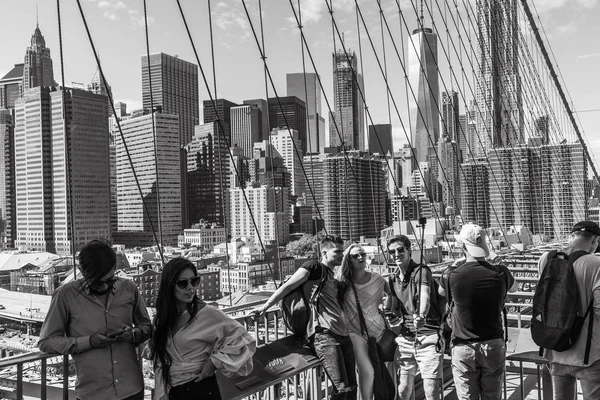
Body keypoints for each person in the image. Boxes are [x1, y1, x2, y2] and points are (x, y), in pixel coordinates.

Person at [38, 239, 152, 400]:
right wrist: (89, 342)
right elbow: (46, 342)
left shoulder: (129, 288)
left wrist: (134, 333)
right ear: (82, 271)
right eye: (98, 281)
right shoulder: (65, 296)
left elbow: (147, 327)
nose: (105, 286)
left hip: (132, 389)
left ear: (115, 269)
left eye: (110, 280)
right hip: (93, 394)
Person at [254, 235, 357, 400]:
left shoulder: (332, 275)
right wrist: (265, 307)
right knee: (342, 389)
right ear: (324, 252)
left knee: (352, 388)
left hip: (343, 334)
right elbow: (288, 286)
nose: (341, 255)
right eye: (337, 251)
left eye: (342, 251)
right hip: (325, 335)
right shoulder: (314, 266)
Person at [151, 258, 255, 400]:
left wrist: (214, 362)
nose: (190, 287)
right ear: (169, 286)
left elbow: (243, 339)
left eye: (194, 281)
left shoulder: (207, 314)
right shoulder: (162, 319)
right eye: (183, 283)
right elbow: (158, 356)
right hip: (173, 392)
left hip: (201, 388)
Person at [443, 223, 517, 400]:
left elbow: (440, 292)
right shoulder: (501, 273)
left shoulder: (453, 275)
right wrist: (498, 264)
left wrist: (453, 265)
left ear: (462, 246)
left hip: (463, 346)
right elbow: (515, 288)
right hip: (493, 344)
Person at [537, 221, 600, 400]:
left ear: (571, 236)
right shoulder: (596, 264)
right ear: (595, 240)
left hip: (555, 348)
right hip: (588, 355)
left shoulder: (546, 259)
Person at [385, 235, 444, 400]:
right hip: (406, 337)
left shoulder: (422, 271)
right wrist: (387, 313)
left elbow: (424, 294)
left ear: (409, 250)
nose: (396, 254)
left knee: (431, 390)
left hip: (428, 335)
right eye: (392, 251)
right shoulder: (392, 279)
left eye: (400, 250)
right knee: (403, 390)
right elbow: (391, 306)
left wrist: (422, 315)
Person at [335, 243, 389, 400]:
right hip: (355, 333)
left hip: (379, 332)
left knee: (380, 371)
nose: (361, 258)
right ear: (348, 260)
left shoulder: (378, 280)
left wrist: (389, 306)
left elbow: (395, 295)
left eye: (363, 254)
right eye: (355, 256)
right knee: (368, 371)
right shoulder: (342, 283)